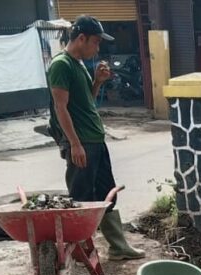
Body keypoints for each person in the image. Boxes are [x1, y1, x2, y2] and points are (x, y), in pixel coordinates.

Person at [46, 16, 142, 260]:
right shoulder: (62, 64)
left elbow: (86, 100)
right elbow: (61, 107)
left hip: (95, 140)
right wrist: (75, 144)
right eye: (95, 42)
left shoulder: (77, 64)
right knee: (82, 197)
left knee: (106, 192)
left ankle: (118, 247)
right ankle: (79, 251)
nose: (97, 49)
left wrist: (98, 82)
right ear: (81, 38)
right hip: (82, 142)